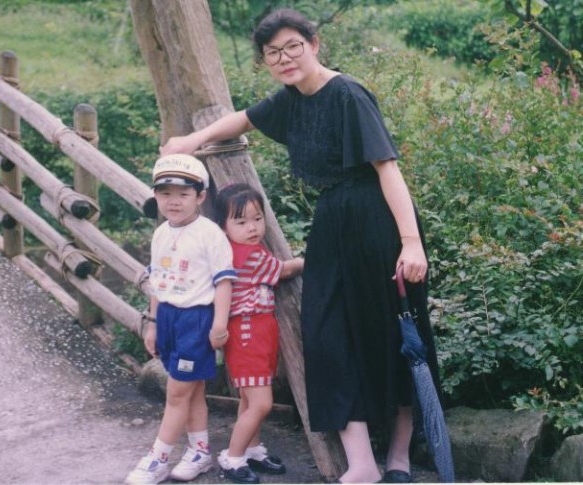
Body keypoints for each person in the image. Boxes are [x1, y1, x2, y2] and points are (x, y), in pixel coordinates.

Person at [160, 8, 441, 484]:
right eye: (273, 53)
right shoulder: (291, 99)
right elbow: (243, 120)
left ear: (314, 45)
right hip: (332, 224)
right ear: (265, 61)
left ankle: (399, 456)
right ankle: (362, 464)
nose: (284, 58)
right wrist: (192, 139)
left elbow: (388, 169)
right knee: (325, 335)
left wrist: (411, 244)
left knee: (391, 332)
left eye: (293, 46)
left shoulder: (348, 94)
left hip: (379, 223)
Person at [125, 154, 236, 485]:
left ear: (200, 197)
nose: (173, 201)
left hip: (196, 320)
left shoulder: (209, 234)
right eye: (165, 193)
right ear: (155, 195)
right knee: (193, 390)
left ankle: (157, 459)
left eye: (183, 194)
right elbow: (157, 282)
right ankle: (200, 452)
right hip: (168, 318)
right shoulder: (161, 233)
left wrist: (219, 324)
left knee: (176, 393)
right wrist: (153, 323)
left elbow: (224, 282)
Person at [214, 183, 304, 484]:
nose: (252, 227)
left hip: (255, 332)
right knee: (262, 403)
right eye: (241, 222)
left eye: (257, 218)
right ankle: (233, 457)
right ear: (223, 227)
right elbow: (283, 270)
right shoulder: (248, 255)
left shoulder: (241, 251)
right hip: (248, 334)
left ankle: (251, 449)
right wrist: (307, 261)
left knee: (249, 398)